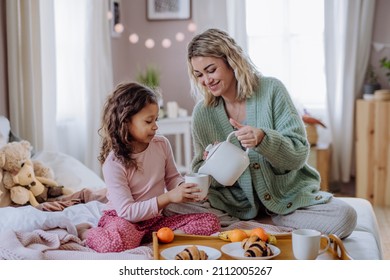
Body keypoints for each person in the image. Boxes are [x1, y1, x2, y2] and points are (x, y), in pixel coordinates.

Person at [166, 28, 357, 239]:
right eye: (199, 75)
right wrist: (210, 166)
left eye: (211, 70)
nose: (206, 80)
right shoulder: (203, 113)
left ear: (231, 62)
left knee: (345, 216)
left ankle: (255, 226)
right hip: (234, 205)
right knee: (170, 208)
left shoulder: (272, 90)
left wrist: (264, 140)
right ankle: (257, 226)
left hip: (286, 200)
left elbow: (299, 154)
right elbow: (202, 173)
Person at [83, 82, 220, 253]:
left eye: (156, 119)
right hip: (124, 220)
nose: (155, 126)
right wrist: (169, 197)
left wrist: (183, 189)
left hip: (154, 220)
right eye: (148, 121)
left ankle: (155, 238)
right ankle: (87, 231)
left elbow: (172, 178)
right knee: (115, 244)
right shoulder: (114, 163)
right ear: (125, 122)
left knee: (210, 221)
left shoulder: (161, 144)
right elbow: (127, 211)